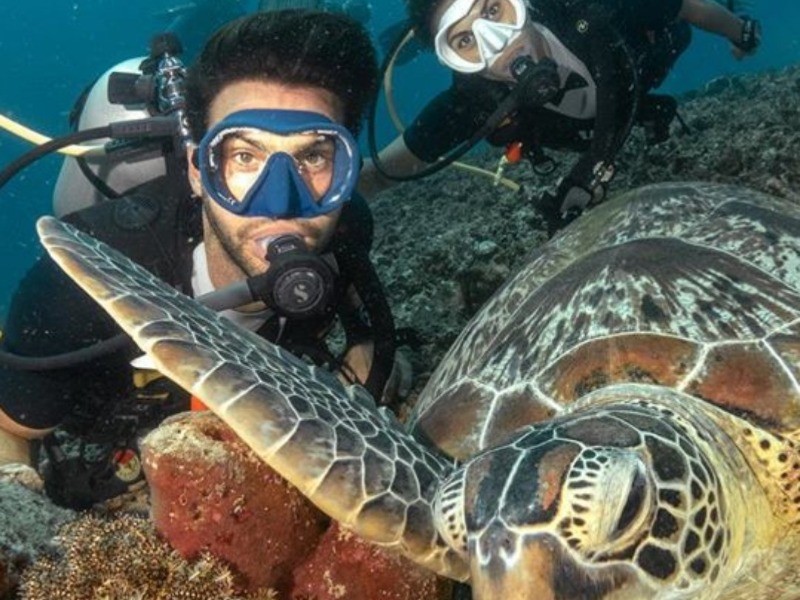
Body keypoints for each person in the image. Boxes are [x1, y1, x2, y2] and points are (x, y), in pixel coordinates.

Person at [0, 10, 400, 507]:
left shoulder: (347, 229)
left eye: (314, 157)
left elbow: (366, 337)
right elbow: (12, 432)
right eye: (245, 157)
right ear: (197, 171)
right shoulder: (75, 291)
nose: (281, 201)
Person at [361, 0, 761, 233]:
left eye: (494, 10)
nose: (499, 45)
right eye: (465, 40)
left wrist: (739, 31)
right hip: (618, 109)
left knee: (677, 26)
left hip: (650, 52)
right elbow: (385, 170)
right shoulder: (473, 103)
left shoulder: (593, 8)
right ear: (455, 62)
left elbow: (685, 6)